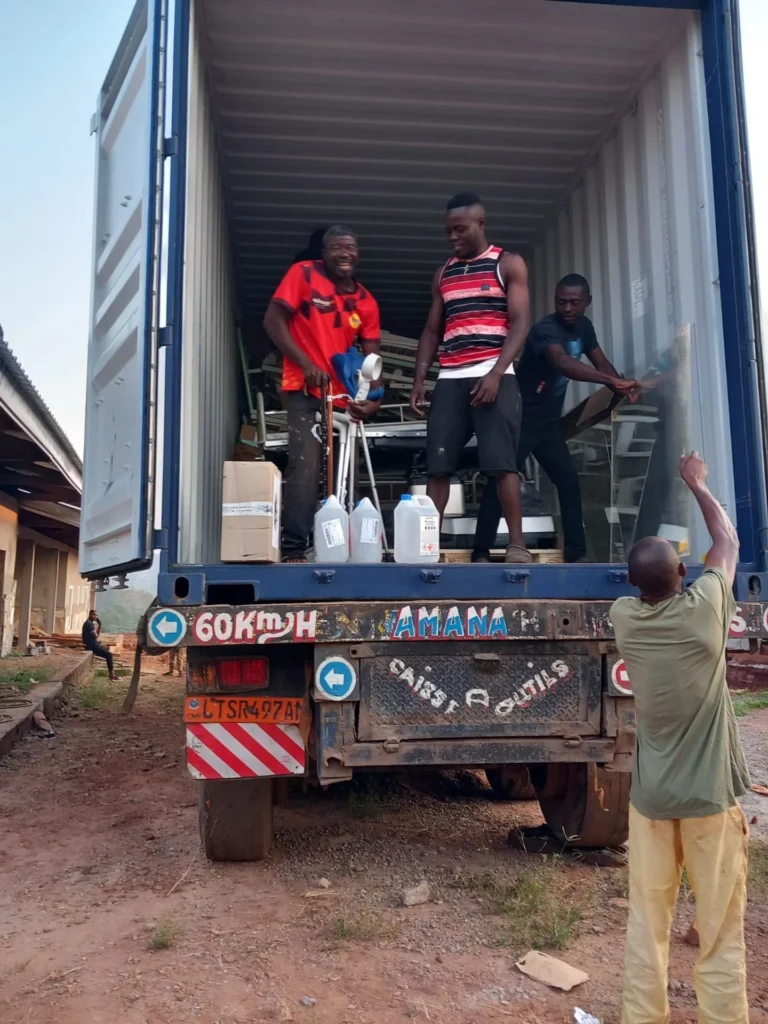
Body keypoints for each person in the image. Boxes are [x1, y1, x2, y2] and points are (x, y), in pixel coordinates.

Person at [612, 452, 750, 1024]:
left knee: (648, 919)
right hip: (709, 801)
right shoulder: (705, 613)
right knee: (718, 927)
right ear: (682, 576)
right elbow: (727, 540)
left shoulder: (625, 617)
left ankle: (642, 1015)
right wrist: (695, 482)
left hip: (650, 802)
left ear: (633, 585)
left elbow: (651, 584)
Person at [472, 274, 639, 562]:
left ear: (587, 301)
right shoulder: (544, 330)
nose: (567, 308)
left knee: (568, 481)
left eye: (574, 302)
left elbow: (600, 361)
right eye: (561, 302)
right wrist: (611, 381)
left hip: (548, 424)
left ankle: (577, 554)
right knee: (500, 479)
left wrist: (619, 385)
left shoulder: (584, 328)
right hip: (520, 417)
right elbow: (563, 363)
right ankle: (480, 551)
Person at [409, 193, 531, 563]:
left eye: (460, 229)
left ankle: (517, 545)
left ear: (481, 223)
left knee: (501, 464)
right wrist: (420, 380)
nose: (453, 237)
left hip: (493, 375)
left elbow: (521, 323)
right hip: (450, 378)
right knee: (438, 465)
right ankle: (426, 548)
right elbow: (432, 331)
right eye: (448, 231)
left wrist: (495, 374)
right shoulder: (444, 272)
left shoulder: (507, 263)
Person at [264, 225, 382, 561]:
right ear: (324, 253)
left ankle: (352, 547)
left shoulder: (365, 301)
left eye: (350, 248)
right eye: (336, 248)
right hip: (304, 388)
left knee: (348, 470)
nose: (344, 254)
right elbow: (273, 320)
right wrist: (304, 363)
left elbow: (372, 355)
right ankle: (294, 549)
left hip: (342, 395)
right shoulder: (303, 274)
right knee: (306, 466)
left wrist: (373, 400)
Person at [82, 609, 117, 681]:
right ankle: (111, 675)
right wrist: (100, 625)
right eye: (94, 615)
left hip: (93, 643)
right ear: (90, 615)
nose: (95, 616)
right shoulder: (89, 624)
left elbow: (96, 636)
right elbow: (96, 636)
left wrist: (99, 625)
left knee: (106, 648)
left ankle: (112, 674)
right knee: (109, 655)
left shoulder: (89, 623)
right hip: (91, 645)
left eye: (96, 615)